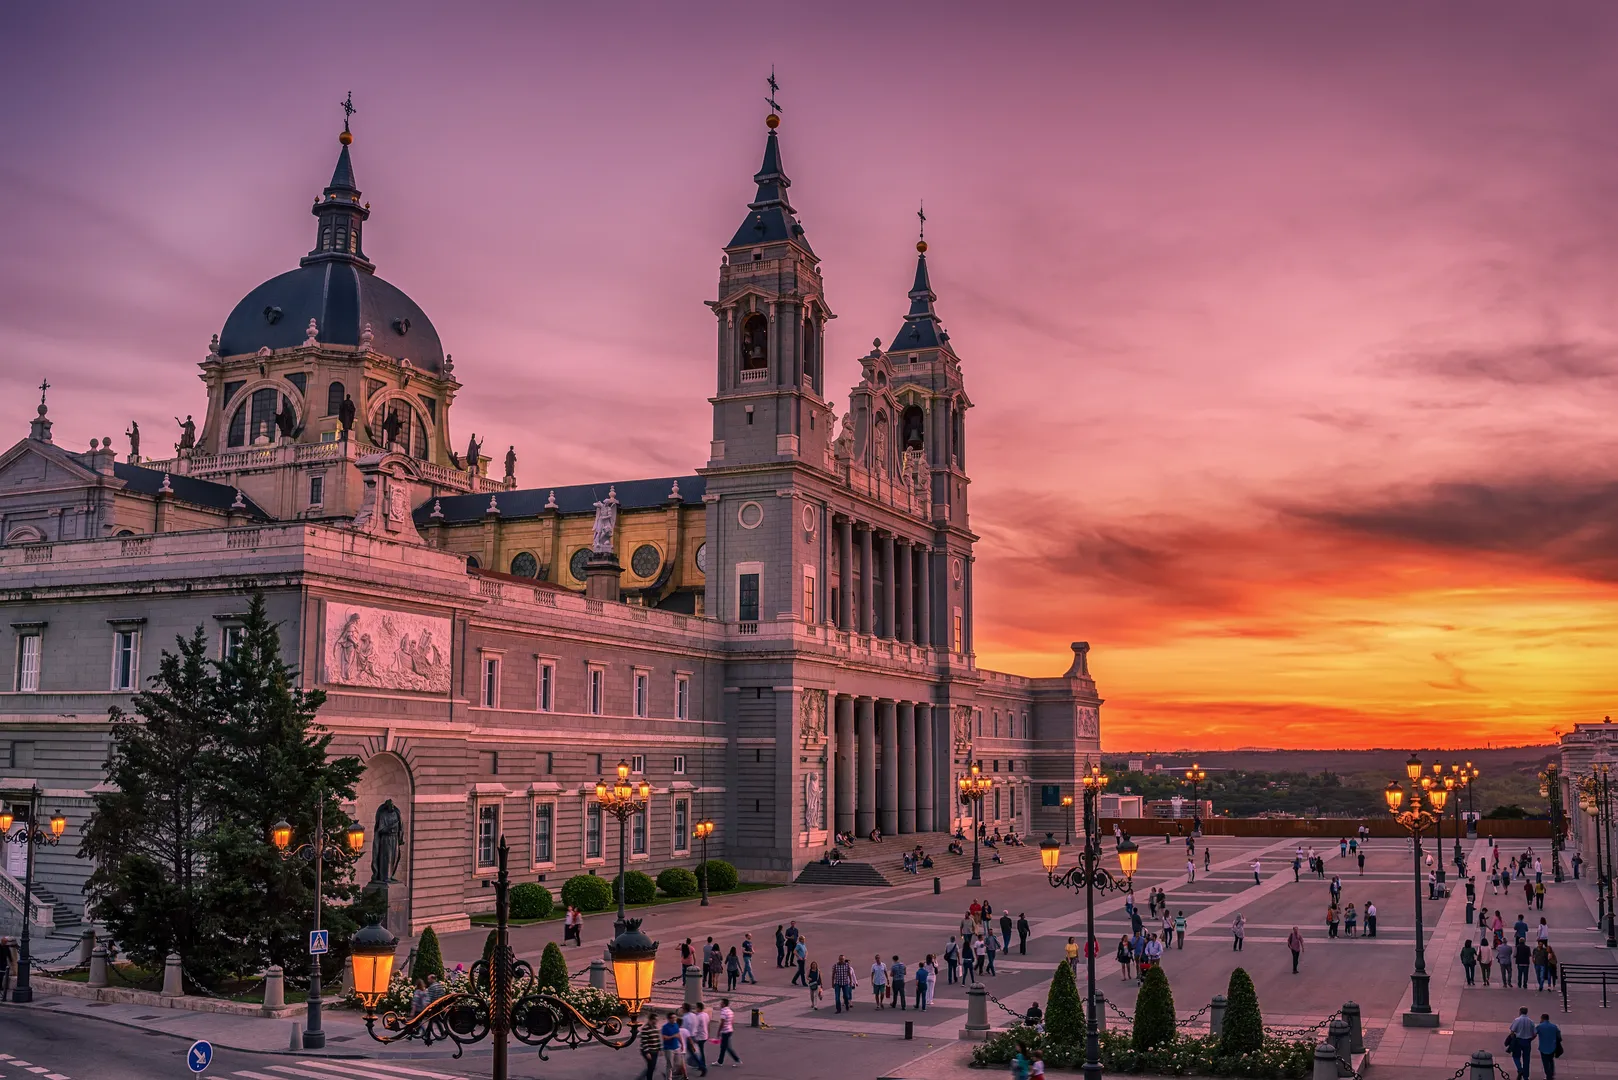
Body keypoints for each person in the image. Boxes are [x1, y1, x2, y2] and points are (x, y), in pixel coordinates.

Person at [1508, 1006, 1536, 1080]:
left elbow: (1512, 1031)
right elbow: (1535, 1033)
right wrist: (1530, 1039)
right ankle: (1526, 1077)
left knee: (1516, 1056)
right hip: (1527, 1041)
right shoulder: (1531, 1021)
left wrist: (1513, 1039)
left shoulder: (1517, 1020)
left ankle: (1520, 1069)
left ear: (1520, 1012)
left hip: (1518, 1040)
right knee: (1526, 1059)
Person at [639, 1005, 664, 1080]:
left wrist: (660, 1049)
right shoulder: (645, 1028)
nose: (657, 1021)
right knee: (651, 1066)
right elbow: (644, 1041)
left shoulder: (655, 1027)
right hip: (648, 1051)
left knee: (652, 1067)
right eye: (656, 1020)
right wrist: (647, 1052)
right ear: (651, 1019)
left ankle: (645, 1078)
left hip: (655, 1051)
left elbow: (658, 1038)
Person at [660, 1010, 686, 1080]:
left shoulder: (676, 1025)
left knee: (679, 1063)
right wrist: (673, 1036)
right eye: (673, 1017)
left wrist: (682, 1044)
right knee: (670, 1065)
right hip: (669, 1048)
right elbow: (664, 1038)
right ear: (669, 1019)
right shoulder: (665, 1027)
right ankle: (669, 1078)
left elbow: (678, 1034)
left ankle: (672, 1074)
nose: (674, 1019)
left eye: (675, 1017)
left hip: (676, 1047)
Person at [715, 999, 741, 1067]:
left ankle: (737, 1060)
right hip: (729, 1030)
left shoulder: (723, 1012)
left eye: (721, 1003)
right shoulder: (730, 1011)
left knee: (727, 1047)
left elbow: (722, 1023)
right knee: (723, 1047)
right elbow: (732, 1021)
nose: (720, 1004)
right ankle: (720, 1061)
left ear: (724, 1004)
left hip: (725, 1031)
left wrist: (719, 1031)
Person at [1536, 1013, 1561, 1080]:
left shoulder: (1540, 1026)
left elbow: (1534, 1033)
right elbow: (1559, 1035)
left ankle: (1548, 1076)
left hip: (1543, 1047)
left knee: (1545, 1063)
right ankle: (1551, 1074)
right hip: (1552, 1047)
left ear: (1542, 1018)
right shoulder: (1554, 1026)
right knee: (1551, 1060)